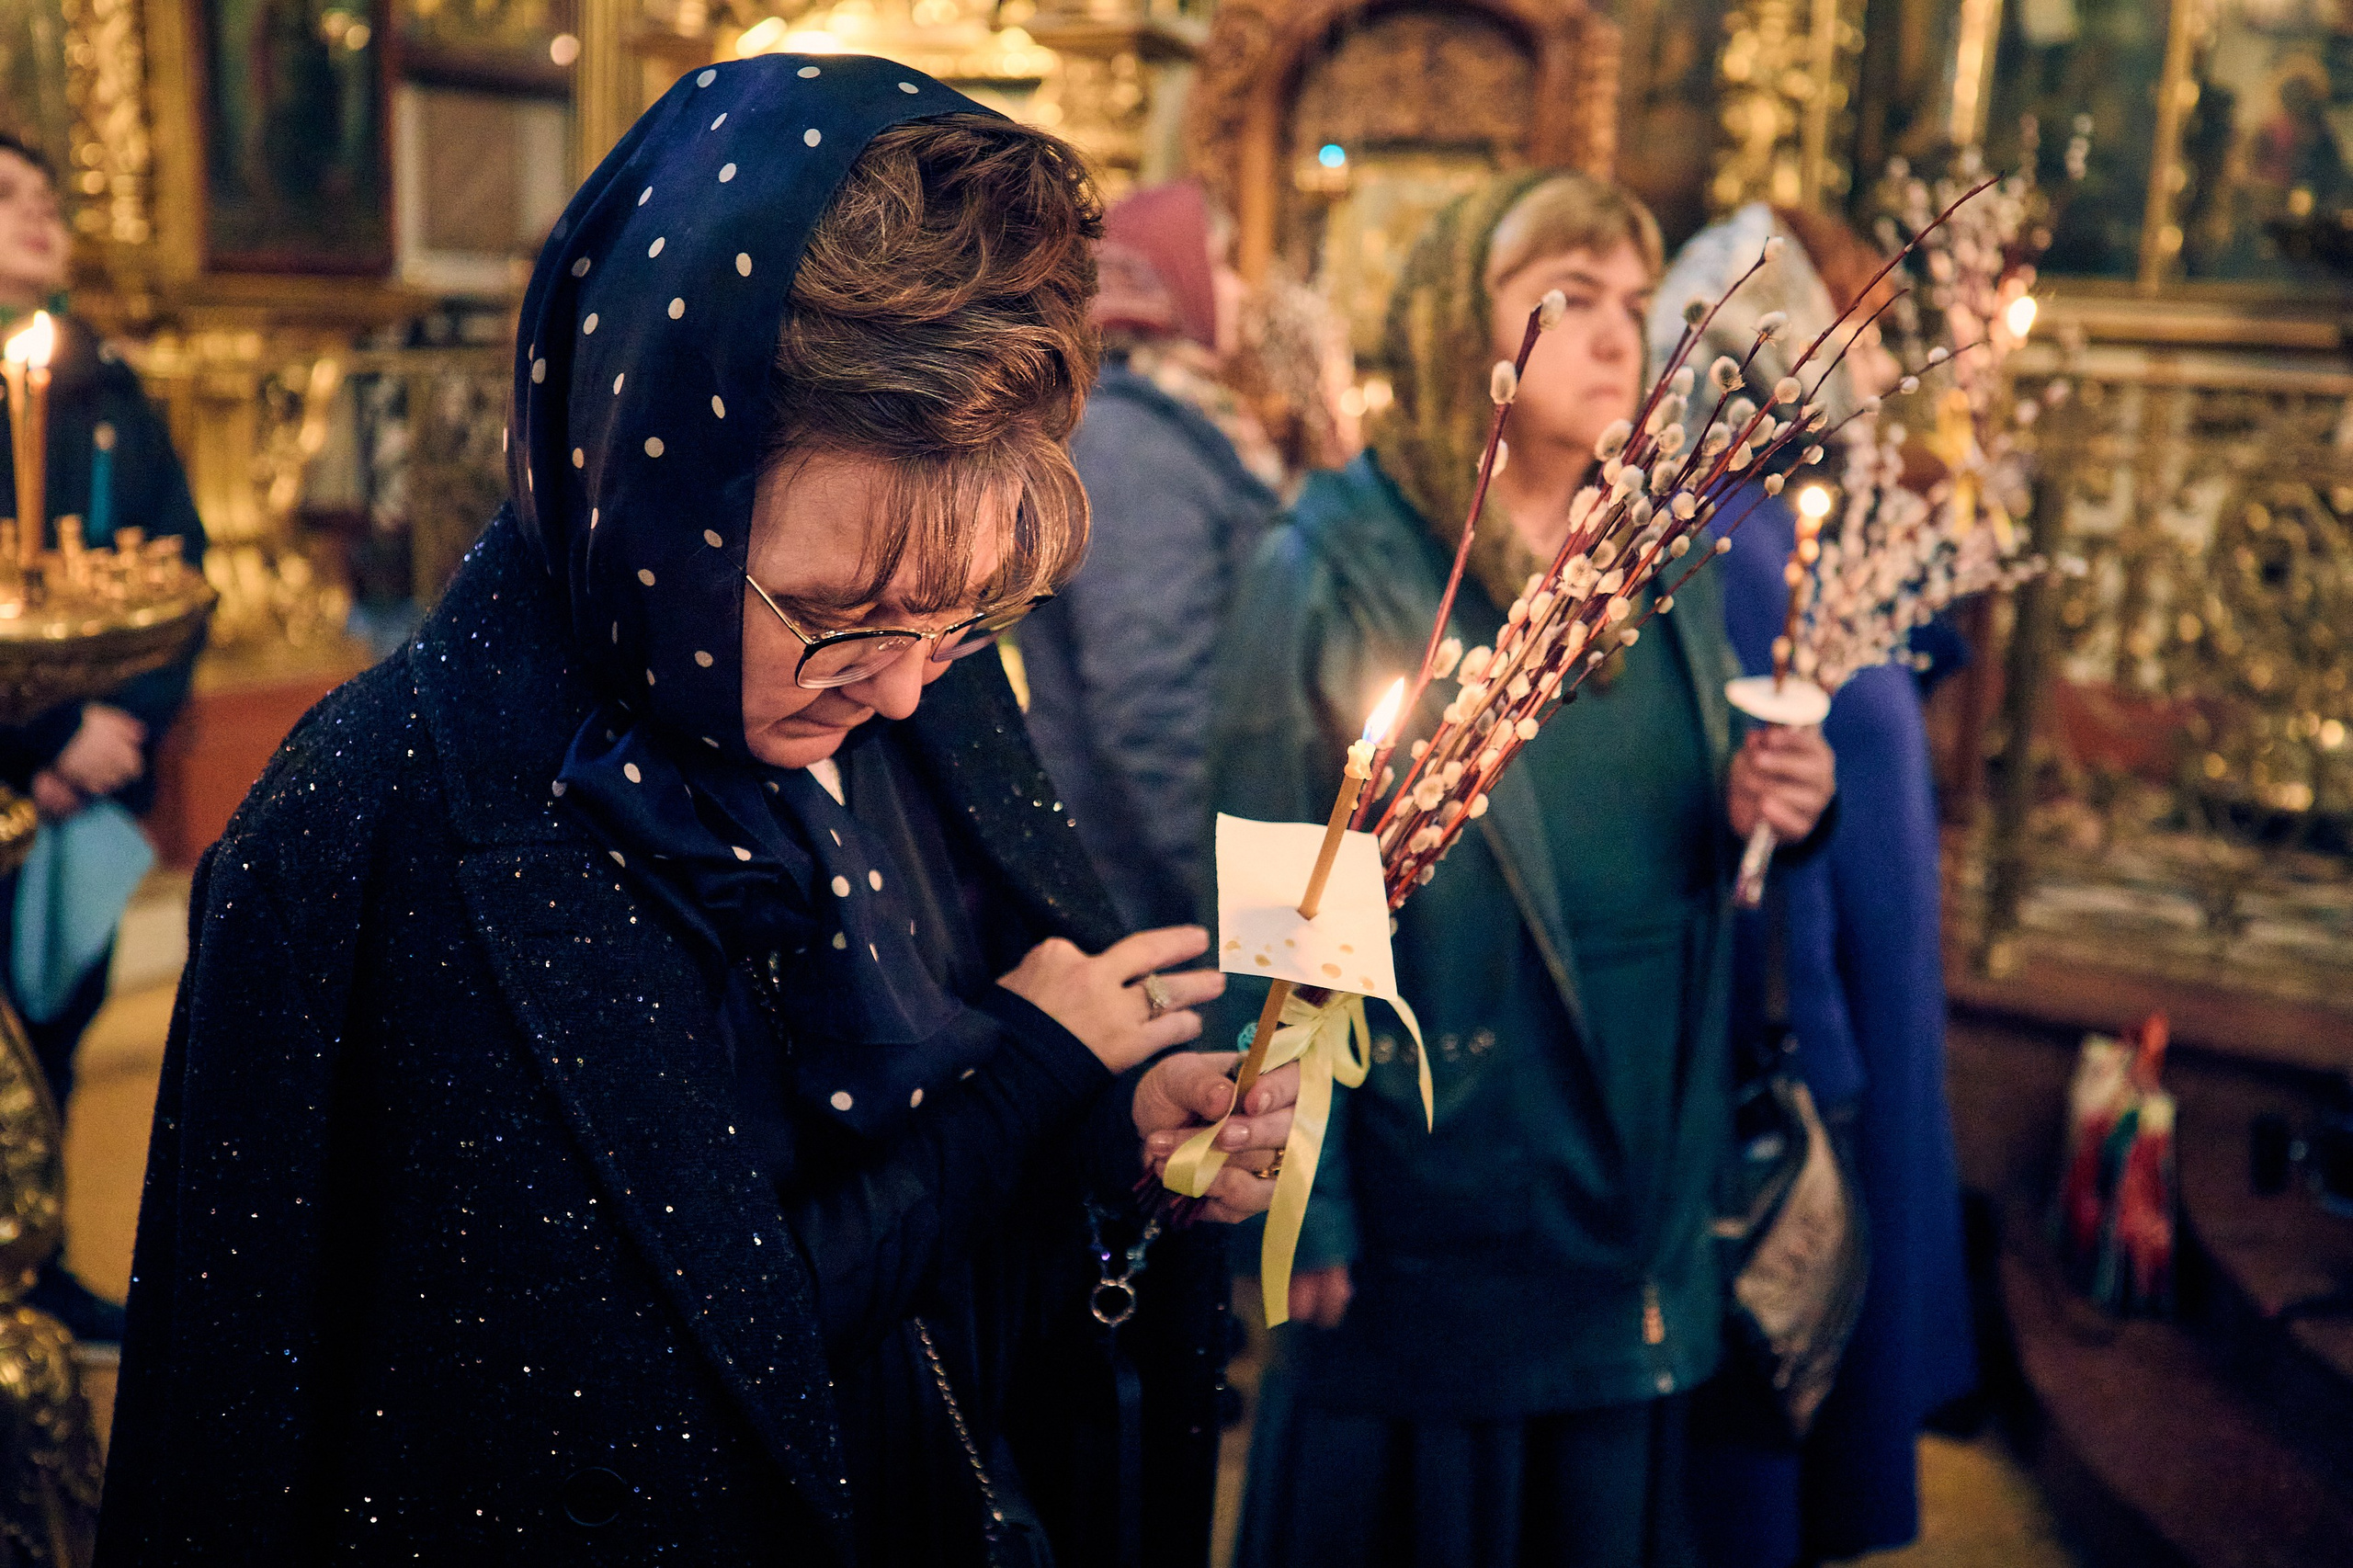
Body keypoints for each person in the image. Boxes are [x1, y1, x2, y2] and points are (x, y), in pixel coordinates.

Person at [96, 60, 1301, 1565]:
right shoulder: (365, 830)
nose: (909, 690)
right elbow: (642, 1371)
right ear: (651, 482)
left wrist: (1110, 1137)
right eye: (833, 611)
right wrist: (1030, 1082)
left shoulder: (913, 688)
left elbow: (932, 1162)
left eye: (964, 612)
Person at [1221, 171, 1836, 1568]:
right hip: (1444, 1180)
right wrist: (1305, 1184)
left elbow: (1692, 820)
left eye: (1635, 299)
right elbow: (1279, 883)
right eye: (1567, 294)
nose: (1620, 333)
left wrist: (1781, 803)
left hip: (1632, 1176)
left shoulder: (1646, 554)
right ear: (1458, 331)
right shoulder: (1338, 563)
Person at [1651, 201, 1977, 1568]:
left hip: (1864, 972)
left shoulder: (1790, 516)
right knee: (1778, 1335)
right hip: (1813, 995)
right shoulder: (1724, 538)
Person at [0, 131, 206, 1345]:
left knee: (57, 1033)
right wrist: (48, 735)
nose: (38, 215)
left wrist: (122, 722)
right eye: (5, 197)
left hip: (92, 780)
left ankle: (32, 1264)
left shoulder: (108, 383)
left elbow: (180, 572)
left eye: (45, 195)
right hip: (30, 763)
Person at [1019, 180, 1283, 936]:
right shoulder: (1127, 443)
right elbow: (1152, 702)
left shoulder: (1162, 421)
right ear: (1175, 277)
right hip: (1148, 900)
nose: (1237, 290)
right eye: (1222, 266)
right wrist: (1266, 920)